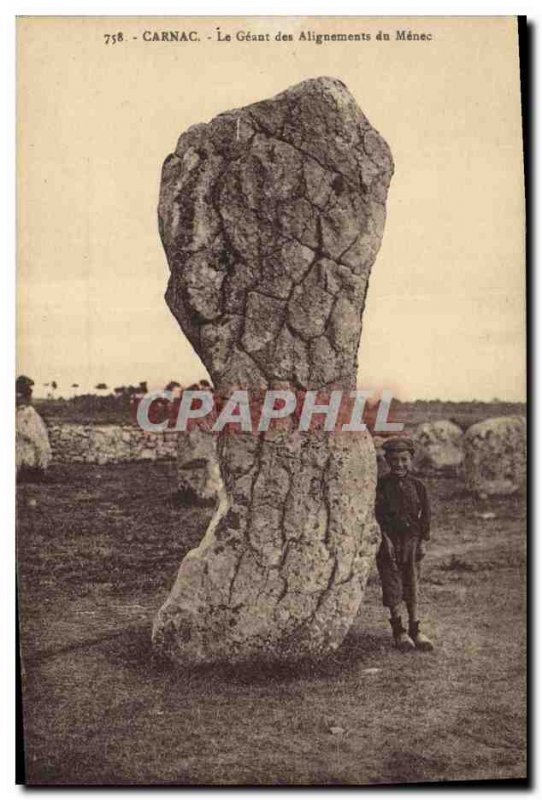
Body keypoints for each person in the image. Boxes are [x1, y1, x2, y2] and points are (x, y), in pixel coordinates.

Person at [375, 436, 434, 652]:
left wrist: (422, 541)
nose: (399, 464)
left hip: (411, 541)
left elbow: (425, 515)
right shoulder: (380, 486)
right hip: (388, 543)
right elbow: (376, 516)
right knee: (392, 585)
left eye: (404, 459)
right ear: (387, 460)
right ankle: (398, 630)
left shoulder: (418, 486)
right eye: (394, 460)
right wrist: (384, 539)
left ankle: (415, 629)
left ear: (411, 460)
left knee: (412, 584)